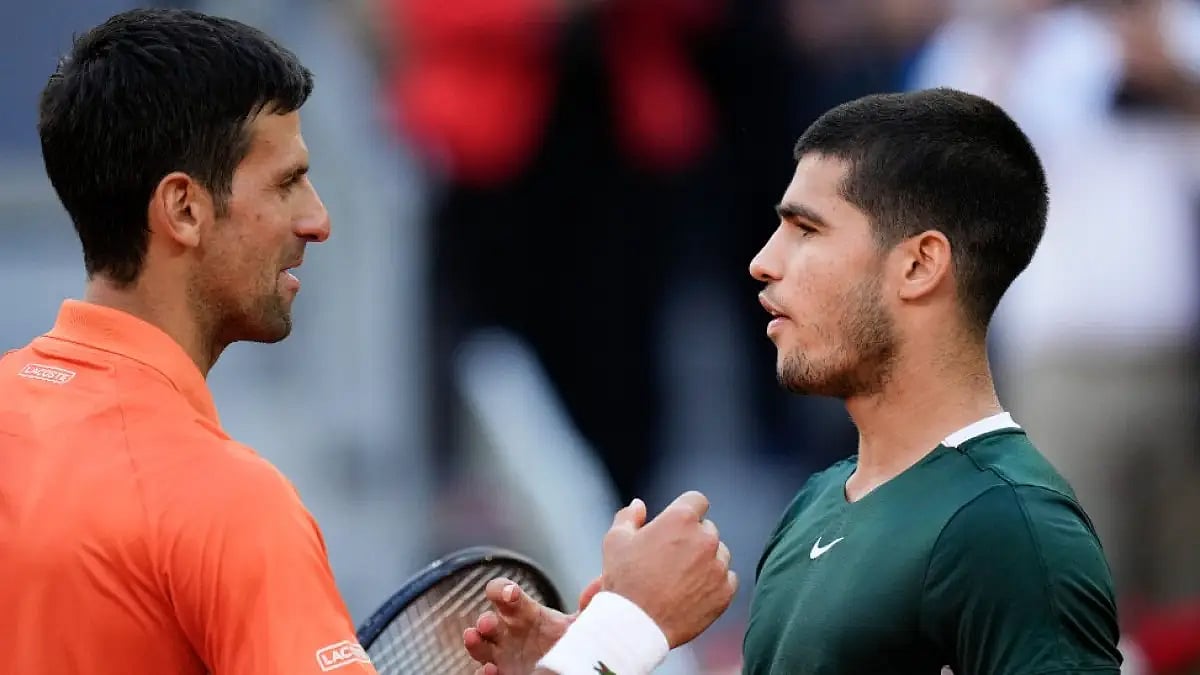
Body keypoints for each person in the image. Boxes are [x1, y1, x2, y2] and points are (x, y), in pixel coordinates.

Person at [0, 8, 735, 675]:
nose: (318, 220)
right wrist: (625, 629)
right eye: (287, 184)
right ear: (185, 208)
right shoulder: (228, 505)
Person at [463, 88, 1125, 674]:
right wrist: (601, 655)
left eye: (806, 230)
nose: (762, 262)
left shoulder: (1013, 529)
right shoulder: (817, 502)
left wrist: (612, 642)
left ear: (920, 265)